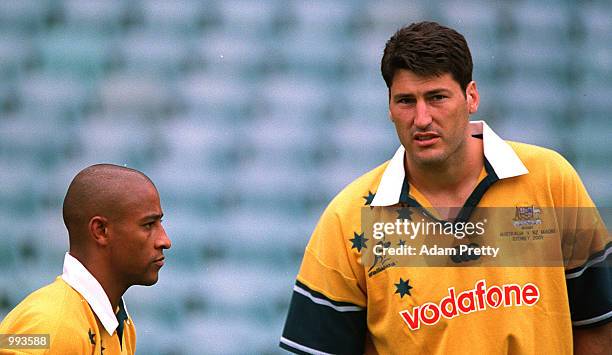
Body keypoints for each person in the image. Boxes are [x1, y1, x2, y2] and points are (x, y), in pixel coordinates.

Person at [280, 21, 610, 354]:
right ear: (390, 107)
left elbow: (599, 322)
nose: (422, 118)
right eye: (406, 101)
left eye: (437, 97)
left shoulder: (549, 180)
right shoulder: (350, 217)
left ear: (471, 97)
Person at [0, 164, 171, 354]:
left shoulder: (121, 324)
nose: (165, 241)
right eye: (148, 225)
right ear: (100, 231)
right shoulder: (51, 326)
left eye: (159, 223)